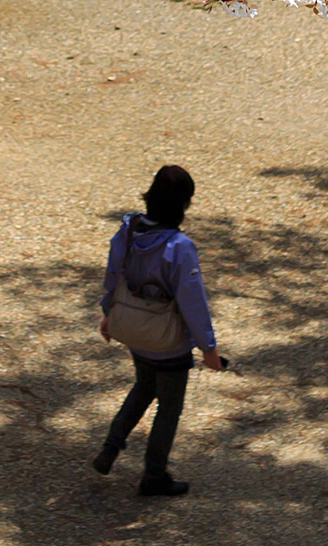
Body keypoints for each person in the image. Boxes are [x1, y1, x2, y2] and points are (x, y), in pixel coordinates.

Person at [95, 163, 229, 497]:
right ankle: (154, 476)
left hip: (134, 332)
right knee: (169, 408)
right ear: (184, 204)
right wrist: (208, 349)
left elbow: (113, 274)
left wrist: (108, 312)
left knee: (143, 386)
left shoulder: (129, 231)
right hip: (167, 342)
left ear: (151, 194)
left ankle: (112, 446)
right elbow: (192, 302)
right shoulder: (179, 248)